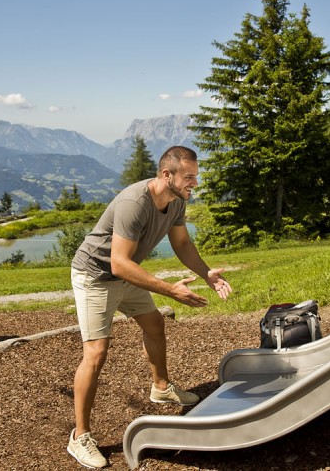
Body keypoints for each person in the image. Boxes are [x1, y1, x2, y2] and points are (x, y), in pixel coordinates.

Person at [67, 146, 233, 469]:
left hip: (125, 273)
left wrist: (207, 274)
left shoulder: (177, 200)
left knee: (154, 324)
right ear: (166, 175)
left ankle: (161, 387)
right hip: (95, 276)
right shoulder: (134, 203)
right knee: (96, 352)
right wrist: (170, 290)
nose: (194, 183)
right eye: (189, 177)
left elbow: (181, 243)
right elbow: (118, 262)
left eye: (196, 176)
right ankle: (80, 436)